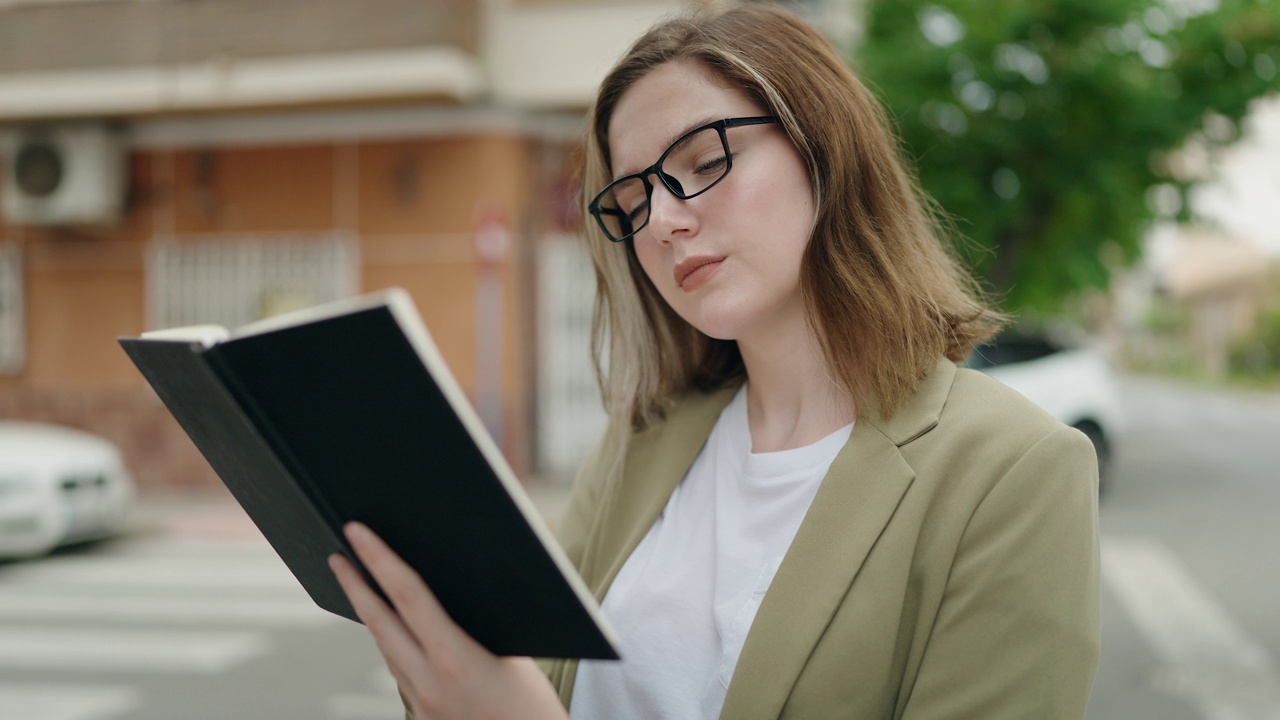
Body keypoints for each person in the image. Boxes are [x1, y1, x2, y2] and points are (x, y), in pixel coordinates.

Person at [327, 2, 1102, 719]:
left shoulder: (1015, 470)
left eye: (702, 162)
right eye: (632, 202)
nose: (661, 221)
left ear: (822, 149)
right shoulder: (644, 440)